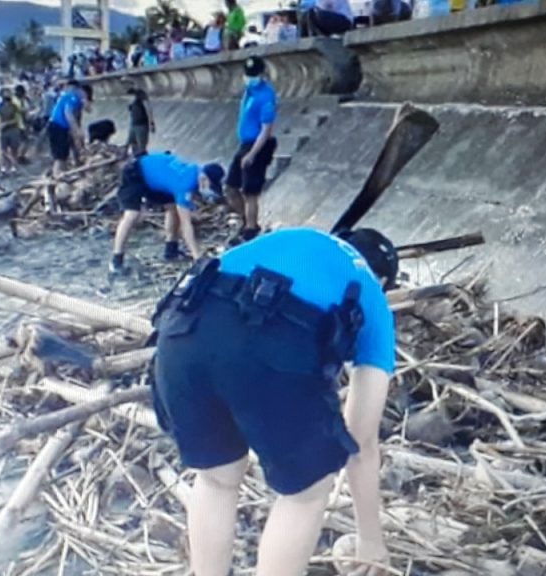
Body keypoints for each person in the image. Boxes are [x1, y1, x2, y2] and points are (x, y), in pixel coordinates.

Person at [150, 226, 398, 576]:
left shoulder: (298, 237)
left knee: (217, 479)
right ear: (384, 280)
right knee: (307, 493)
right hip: (271, 344)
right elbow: (362, 442)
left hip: (181, 330)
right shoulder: (372, 294)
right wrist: (371, 540)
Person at [109, 152, 225, 273]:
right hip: (136, 172)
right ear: (204, 178)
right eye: (209, 186)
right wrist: (198, 256)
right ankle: (116, 260)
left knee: (172, 208)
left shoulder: (196, 170)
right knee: (132, 214)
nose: (208, 189)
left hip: (157, 178)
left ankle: (171, 250)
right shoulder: (186, 184)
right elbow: (185, 224)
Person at [224, 56, 277, 244]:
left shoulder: (266, 96)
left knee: (250, 192)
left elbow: (266, 129)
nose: (249, 78)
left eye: (253, 75)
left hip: (257, 145)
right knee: (231, 187)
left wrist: (252, 154)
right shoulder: (249, 91)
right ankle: (246, 221)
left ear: (262, 74)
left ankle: (251, 229)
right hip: (244, 143)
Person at [47, 80, 88, 178]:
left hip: (57, 127)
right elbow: (68, 114)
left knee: (64, 155)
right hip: (58, 127)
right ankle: (57, 176)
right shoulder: (72, 97)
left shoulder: (65, 96)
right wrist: (77, 131)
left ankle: (62, 175)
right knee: (60, 156)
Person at [0, 87, 22, 178]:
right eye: (6, 93)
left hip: (13, 130)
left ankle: (14, 168)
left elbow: (17, 119)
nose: (8, 95)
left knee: (14, 149)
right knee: (3, 150)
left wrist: (6, 123)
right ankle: (4, 168)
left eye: (9, 93)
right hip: (3, 132)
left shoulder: (14, 106)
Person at [126, 88, 155, 156]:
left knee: (141, 146)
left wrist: (151, 123)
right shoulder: (132, 103)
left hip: (142, 125)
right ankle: (136, 156)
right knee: (131, 143)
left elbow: (149, 111)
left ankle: (143, 157)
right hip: (134, 125)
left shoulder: (142, 101)